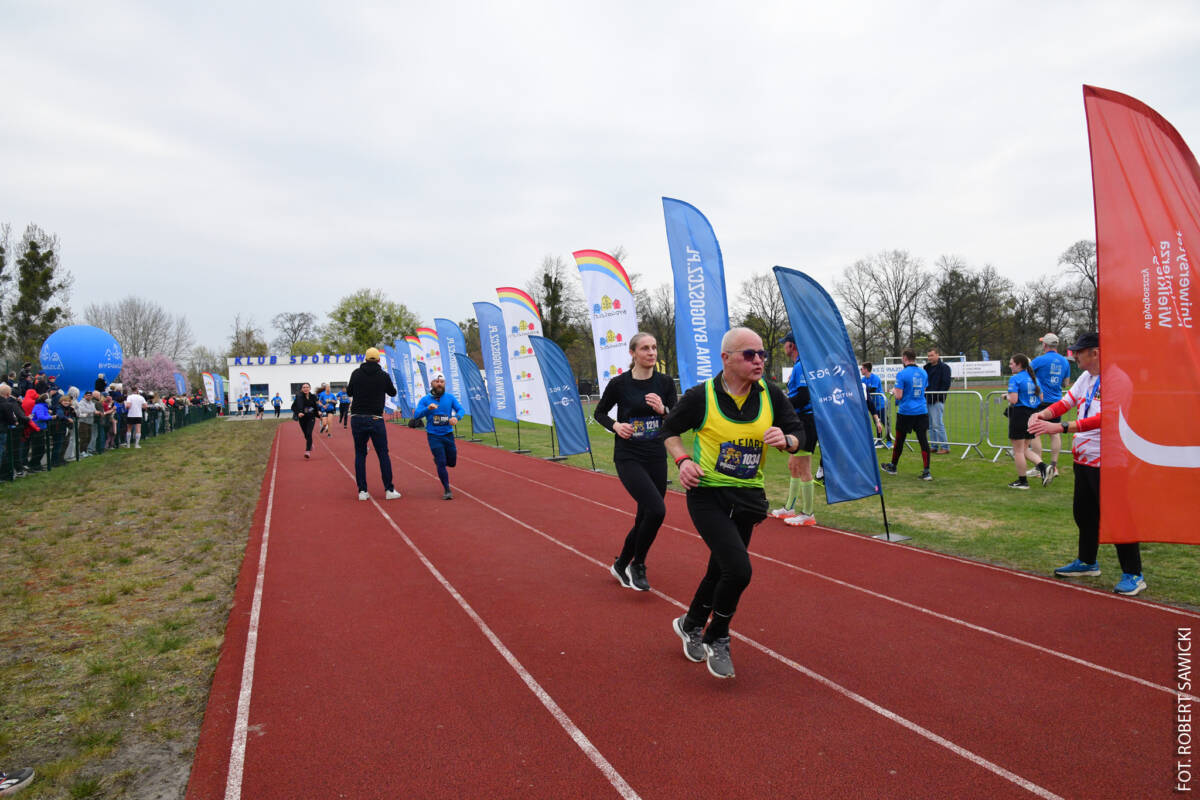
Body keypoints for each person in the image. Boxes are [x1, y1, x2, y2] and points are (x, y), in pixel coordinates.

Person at [662, 327, 809, 679]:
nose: (759, 361)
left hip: (748, 498)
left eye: (762, 354)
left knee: (721, 569)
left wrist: (787, 439)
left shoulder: (771, 394)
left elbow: (799, 432)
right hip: (708, 494)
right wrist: (683, 461)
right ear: (726, 358)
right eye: (749, 354)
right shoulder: (702, 396)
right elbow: (668, 430)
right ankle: (718, 635)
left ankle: (691, 623)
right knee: (739, 570)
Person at [1030, 332, 1145, 596]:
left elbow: (1107, 417)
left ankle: (1134, 573)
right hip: (1084, 458)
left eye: (1079, 351)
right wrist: (1042, 414)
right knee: (1084, 514)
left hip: (1110, 460)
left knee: (1118, 518)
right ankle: (1087, 561)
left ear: (1096, 352)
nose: (1074, 356)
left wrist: (1061, 427)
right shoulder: (1086, 377)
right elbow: (1066, 402)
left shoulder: (1118, 379)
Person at [592, 332, 677, 591]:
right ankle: (637, 564)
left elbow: (676, 417)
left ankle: (621, 564)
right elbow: (599, 412)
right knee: (657, 510)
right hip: (629, 456)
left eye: (654, 348)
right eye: (645, 348)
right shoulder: (620, 384)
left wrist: (663, 410)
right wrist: (616, 426)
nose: (651, 352)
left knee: (645, 516)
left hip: (655, 455)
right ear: (632, 353)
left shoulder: (664, 383)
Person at [769, 332, 821, 527]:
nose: (784, 346)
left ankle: (808, 513)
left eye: (785, 343)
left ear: (792, 346)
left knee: (803, 467)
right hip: (801, 420)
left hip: (807, 420)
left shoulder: (802, 366)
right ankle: (789, 507)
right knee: (793, 465)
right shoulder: (799, 365)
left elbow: (804, 395)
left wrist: (783, 405)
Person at [347, 348, 401, 501]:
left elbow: (349, 392)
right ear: (378, 360)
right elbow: (392, 392)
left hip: (357, 417)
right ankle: (389, 490)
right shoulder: (383, 375)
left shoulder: (356, 373)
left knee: (360, 453)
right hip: (376, 418)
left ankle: (362, 491)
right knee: (383, 454)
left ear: (365, 359)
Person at [412, 372, 466, 500]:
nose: (439, 384)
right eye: (437, 382)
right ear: (432, 383)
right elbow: (416, 415)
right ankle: (447, 490)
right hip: (434, 435)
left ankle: (440, 461)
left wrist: (456, 417)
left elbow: (461, 410)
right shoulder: (425, 400)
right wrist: (428, 409)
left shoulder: (450, 398)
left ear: (444, 383)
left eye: (441, 382)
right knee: (441, 462)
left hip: (448, 434)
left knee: (452, 462)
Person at [880, 349, 932, 480]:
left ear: (904, 358)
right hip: (921, 411)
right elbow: (924, 390)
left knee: (899, 440)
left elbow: (899, 395)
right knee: (923, 440)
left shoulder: (902, 374)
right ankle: (927, 472)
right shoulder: (923, 372)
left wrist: (894, 392)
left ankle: (893, 466)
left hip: (906, 411)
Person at [1028, 333, 1072, 486]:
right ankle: (1054, 466)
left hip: (1040, 401)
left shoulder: (1039, 360)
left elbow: (1028, 376)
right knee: (1055, 433)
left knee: (1035, 432)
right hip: (1056, 401)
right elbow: (1066, 383)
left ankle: (1039, 466)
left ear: (1045, 345)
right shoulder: (1065, 361)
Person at [1005, 354, 1042, 489]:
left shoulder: (1015, 378)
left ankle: (1023, 481)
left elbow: (1014, 400)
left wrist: (1006, 396)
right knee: (1025, 448)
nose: (1010, 366)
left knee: (1018, 451)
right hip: (1032, 414)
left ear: (1019, 364)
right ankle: (1044, 467)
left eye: (1011, 363)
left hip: (1020, 414)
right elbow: (1041, 398)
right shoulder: (1034, 378)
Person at [924, 348, 952, 454]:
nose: (930, 358)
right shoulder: (926, 368)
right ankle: (934, 445)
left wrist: (937, 397)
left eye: (931, 355)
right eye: (928, 356)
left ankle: (945, 447)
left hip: (937, 400)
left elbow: (946, 384)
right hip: (927, 399)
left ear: (937, 355)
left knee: (938, 424)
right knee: (930, 425)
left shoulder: (944, 368)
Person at [860, 362, 888, 447]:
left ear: (866, 369)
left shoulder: (875, 378)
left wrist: (865, 389)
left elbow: (873, 389)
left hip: (880, 403)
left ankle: (889, 441)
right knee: (876, 422)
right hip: (872, 404)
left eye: (862, 369)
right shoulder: (863, 379)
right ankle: (879, 440)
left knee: (885, 422)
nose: (861, 370)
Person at [291, 383, 321, 459]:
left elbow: (316, 406)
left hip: (311, 417)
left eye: (307, 387)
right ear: (302, 389)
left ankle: (307, 451)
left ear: (310, 388)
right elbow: (293, 407)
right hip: (302, 418)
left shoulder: (313, 396)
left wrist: (318, 412)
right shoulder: (299, 397)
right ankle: (310, 444)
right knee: (305, 434)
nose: (305, 388)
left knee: (309, 433)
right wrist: (298, 413)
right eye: (304, 387)